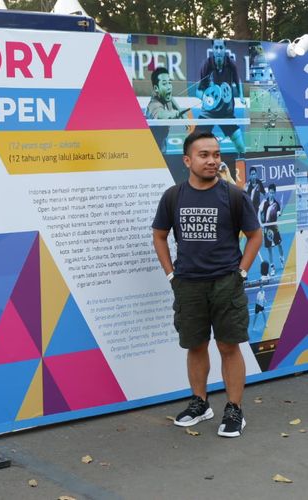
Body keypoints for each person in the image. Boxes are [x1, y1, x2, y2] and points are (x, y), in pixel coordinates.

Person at [152, 131, 262, 438]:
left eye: (216, 154)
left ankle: (234, 410)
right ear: (187, 160)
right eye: (204, 155)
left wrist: (241, 272)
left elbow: (255, 235)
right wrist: (171, 274)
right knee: (195, 344)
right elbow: (159, 235)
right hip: (188, 284)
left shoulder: (234, 195)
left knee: (229, 345)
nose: (212, 160)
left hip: (226, 283)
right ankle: (200, 403)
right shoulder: (173, 196)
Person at [196, 39, 246, 156]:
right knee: (196, 142)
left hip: (226, 113)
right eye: (216, 48)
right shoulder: (207, 65)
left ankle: (243, 165)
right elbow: (198, 90)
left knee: (240, 144)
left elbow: (238, 82)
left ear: (225, 49)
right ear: (212, 49)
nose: (219, 51)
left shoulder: (231, 64)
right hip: (208, 112)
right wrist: (205, 98)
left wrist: (241, 96)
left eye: (221, 48)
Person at [145, 67, 188, 154]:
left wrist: (181, 112)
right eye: (164, 84)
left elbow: (171, 98)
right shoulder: (153, 105)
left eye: (169, 83)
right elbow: (161, 114)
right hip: (150, 145)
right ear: (156, 88)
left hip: (162, 140)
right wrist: (175, 114)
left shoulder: (164, 96)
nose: (169, 87)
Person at [260, 183, 285, 275]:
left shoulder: (276, 204)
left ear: (275, 193)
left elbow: (279, 214)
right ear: (268, 192)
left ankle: (282, 259)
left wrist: (281, 207)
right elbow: (260, 213)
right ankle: (272, 267)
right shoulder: (264, 202)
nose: (271, 194)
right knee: (269, 249)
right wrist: (261, 224)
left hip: (274, 228)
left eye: (273, 193)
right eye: (270, 192)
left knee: (280, 245)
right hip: (267, 229)